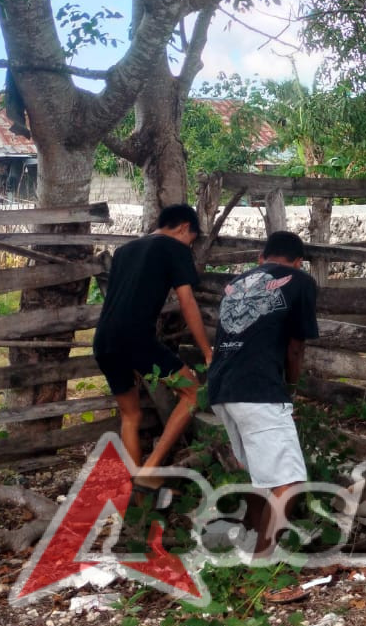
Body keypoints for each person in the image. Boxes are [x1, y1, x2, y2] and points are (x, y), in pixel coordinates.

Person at [206, 230, 319, 568]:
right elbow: (295, 347)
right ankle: (261, 564)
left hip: (221, 388)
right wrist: (291, 390)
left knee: (263, 477)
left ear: (261, 258)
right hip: (257, 389)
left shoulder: (237, 282)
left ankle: (249, 543)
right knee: (289, 481)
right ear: (298, 262)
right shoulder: (300, 280)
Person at [92, 203, 214, 491]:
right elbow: (187, 301)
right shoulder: (175, 248)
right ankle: (151, 467)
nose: (189, 246)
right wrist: (207, 351)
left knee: (130, 416)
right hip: (136, 338)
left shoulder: (125, 251)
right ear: (184, 227)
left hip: (104, 339)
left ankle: (136, 499)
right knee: (193, 392)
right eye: (191, 240)